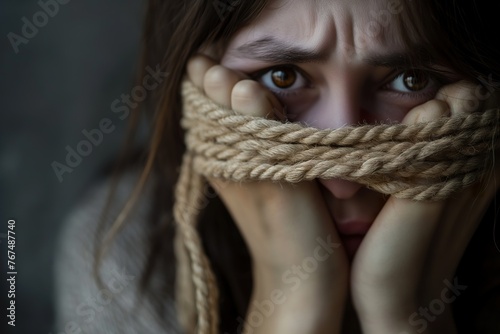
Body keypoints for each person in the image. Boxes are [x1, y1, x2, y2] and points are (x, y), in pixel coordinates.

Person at [55, 0, 500, 333]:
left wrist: (409, 313)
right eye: (283, 76)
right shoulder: (121, 257)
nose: (343, 179)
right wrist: (293, 306)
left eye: (411, 80)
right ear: (201, 92)